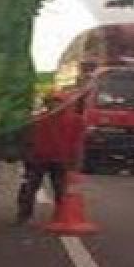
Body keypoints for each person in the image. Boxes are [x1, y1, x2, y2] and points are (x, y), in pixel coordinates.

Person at [16, 90, 85, 224]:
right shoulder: (38, 119)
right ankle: (24, 215)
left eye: (58, 102)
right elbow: (27, 139)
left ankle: (61, 216)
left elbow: (77, 143)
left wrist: (76, 162)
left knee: (60, 191)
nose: (54, 105)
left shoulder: (75, 121)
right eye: (52, 102)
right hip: (39, 159)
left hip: (60, 160)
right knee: (30, 188)